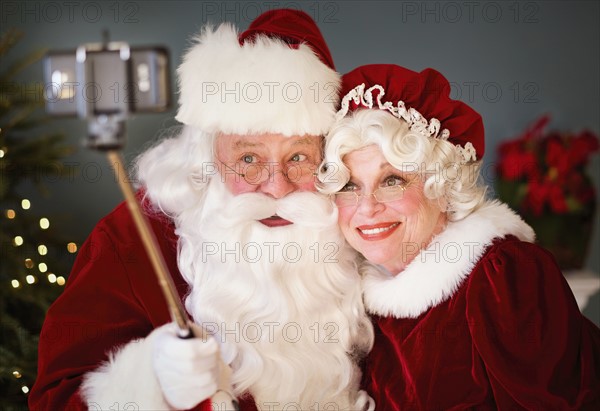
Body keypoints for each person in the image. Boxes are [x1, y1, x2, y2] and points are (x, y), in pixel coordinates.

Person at [29, 10, 375, 411]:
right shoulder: (132, 240)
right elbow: (56, 398)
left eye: (299, 156)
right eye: (248, 159)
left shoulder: (362, 227)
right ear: (207, 157)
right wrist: (151, 385)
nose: (277, 187)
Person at [317, 64, 600, 410]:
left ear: (442, 187)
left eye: (392, 180)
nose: (367, 207)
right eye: (349, 186)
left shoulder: (504, 276)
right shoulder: (358, 306)